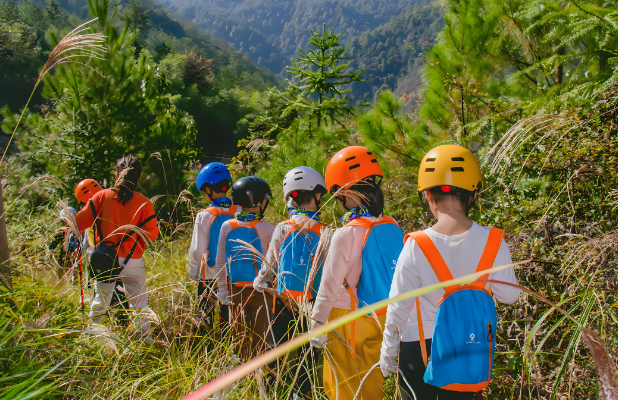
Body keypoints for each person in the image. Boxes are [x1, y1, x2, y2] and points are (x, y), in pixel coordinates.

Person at [379, 145, 521, 400]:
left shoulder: (416, 245)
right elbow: (510, 296)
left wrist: (388, 348)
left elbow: (398, 306)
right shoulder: (494, 241)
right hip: (471, 346)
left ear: (428, 196)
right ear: (473, 195)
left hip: (420, 350)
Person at [309, 146, 404, 400]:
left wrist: (317, 324)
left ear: (343, 193)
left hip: (347, 319)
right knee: (373, 381)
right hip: (385, 316)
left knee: (343, 384)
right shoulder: (393, 224)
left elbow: (329, 286)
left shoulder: (346, 233)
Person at [253, 166, 328, 398]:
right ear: (316, 196)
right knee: (307, 358)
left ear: (290, 199)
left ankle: (274, 392)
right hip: (311, 305)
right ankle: (303, 393)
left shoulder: (282, 228)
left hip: (282, 302)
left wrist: (260, 282)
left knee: (277, 351)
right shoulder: (326, 232)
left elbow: (269, 266)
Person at [69, 156, 159, 344]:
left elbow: (78, 223)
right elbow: (152, 235)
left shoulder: (101, 197)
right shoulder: (144, 203)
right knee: (140, 305)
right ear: (139, 178)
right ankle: (147, 343)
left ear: (116, 175)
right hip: (133, 260)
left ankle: (92, 342)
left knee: (100, 303)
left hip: (104, 258)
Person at [215, 176, 275, 360]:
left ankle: (242, 372)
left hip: (234, 290)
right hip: (261, 291)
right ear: (258, 202)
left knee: (239, 335)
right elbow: (273, 263)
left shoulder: (227, 226)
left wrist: (222, 290)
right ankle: (261, 374)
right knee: (261, 335)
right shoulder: (267, 228)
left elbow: (221, 261)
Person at [188, 162, 237, 330]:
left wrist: (194, 273)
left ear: (208, 190)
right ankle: (228, 349)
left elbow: (197, 251)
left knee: (205, 315)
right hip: (233, 275)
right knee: (229, 316)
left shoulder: (204, 216)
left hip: (209, 275)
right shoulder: (238, 212)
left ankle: (205, 346)